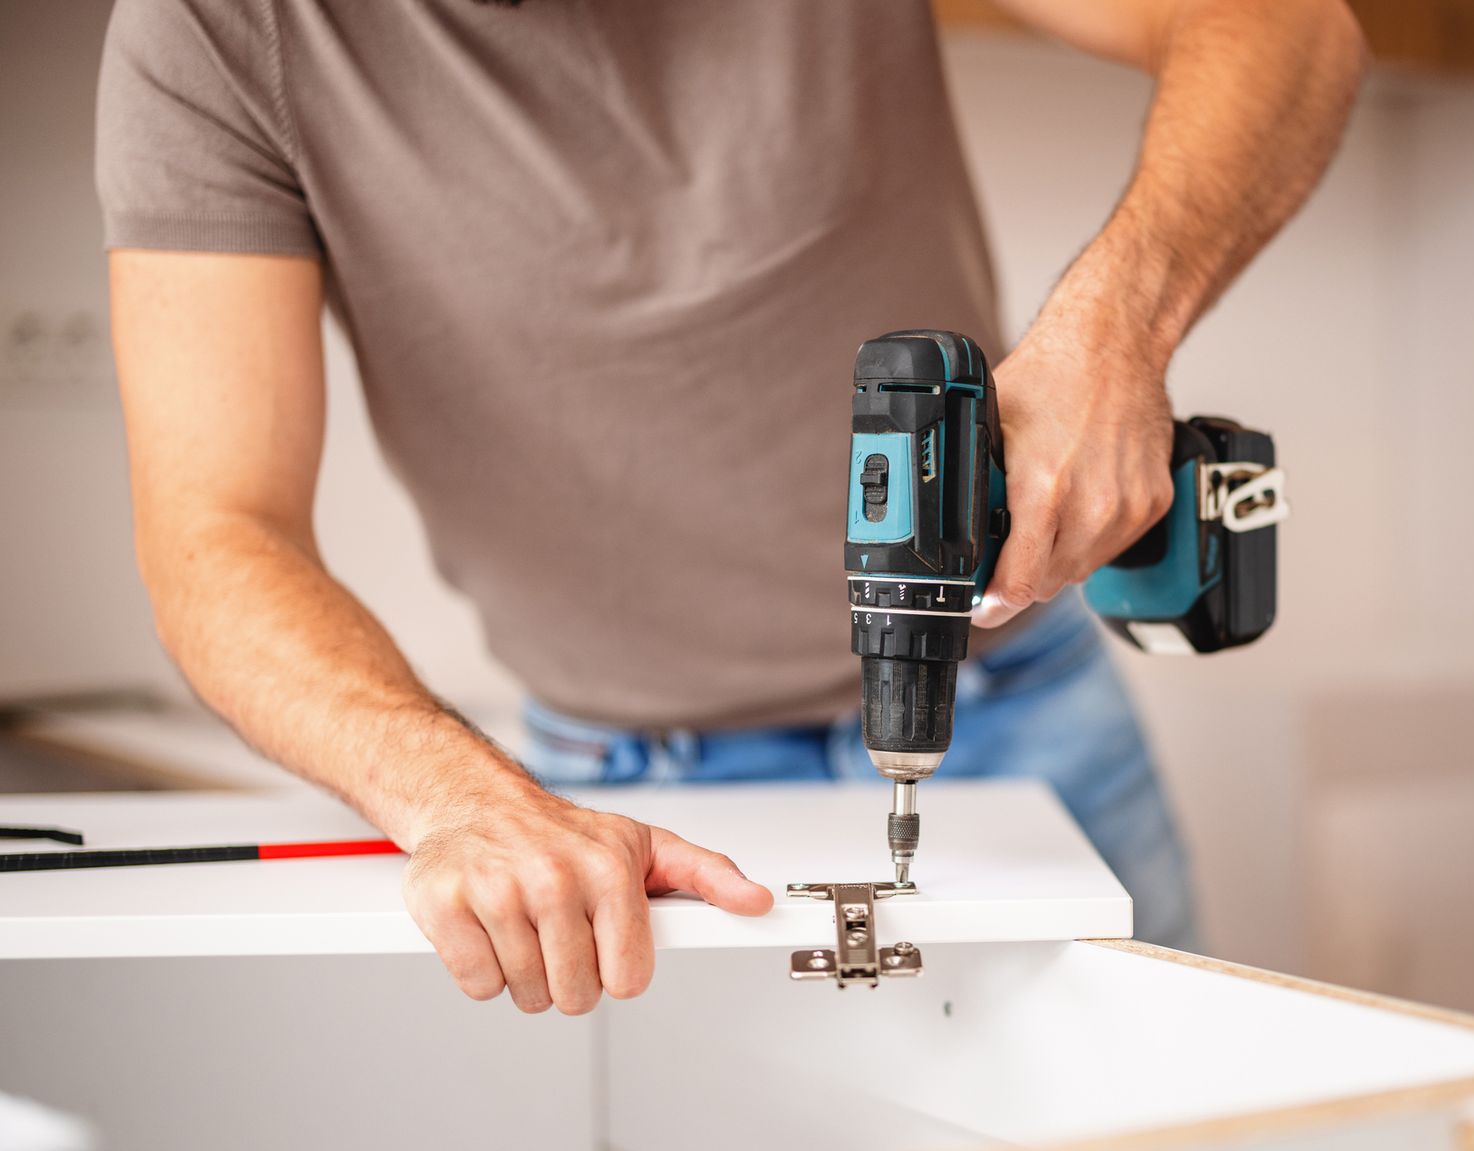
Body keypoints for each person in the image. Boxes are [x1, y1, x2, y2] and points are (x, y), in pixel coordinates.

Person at [98, 0, 1366, 1014]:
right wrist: (459, 800)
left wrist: (1116, 333)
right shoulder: (216, 32)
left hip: (1025, 708)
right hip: (631, 814)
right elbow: (217, 533)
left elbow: (1287, 26)